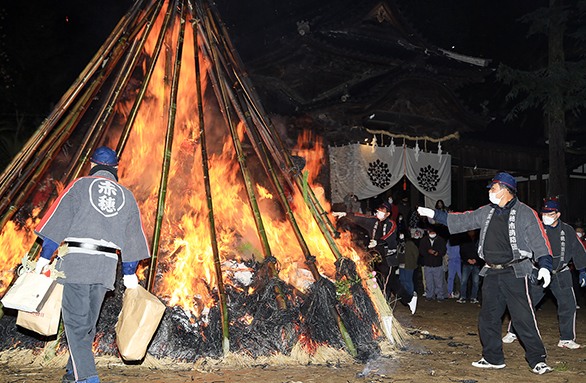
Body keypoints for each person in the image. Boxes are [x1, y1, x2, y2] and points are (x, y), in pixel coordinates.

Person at [417, 172, 554, 375]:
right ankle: (493, 358)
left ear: (506, 190)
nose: (490, 192)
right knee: (488, 318)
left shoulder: (526, 213)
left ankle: (537, 360)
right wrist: (435, 215)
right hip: (491, 271)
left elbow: (539, 239)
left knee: (523, 318)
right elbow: (463, 220)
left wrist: (545, 264)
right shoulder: (487, 211)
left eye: (493, 188)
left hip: (515, 271)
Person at [33, 147, 150, 383]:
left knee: (76, 324)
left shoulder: (80, 186)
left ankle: (87, 377)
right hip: (106, 267)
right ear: (116, 168)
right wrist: (129, 273)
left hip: (76, 262)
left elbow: (58, 221)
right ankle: (72, 374)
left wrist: (44, 257)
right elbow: (133, 237)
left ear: (92, 164)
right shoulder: (127, 196)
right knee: (87, 324)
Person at [502, 198, 586, 349]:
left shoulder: (567, 230)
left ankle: (566, 338)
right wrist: (528, 267)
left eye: (549, 213)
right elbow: (523, 248)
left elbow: (578, 250)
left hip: (561, 272)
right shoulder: (536, 228)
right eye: (543, 213)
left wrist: (582, 270)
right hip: (538, 272)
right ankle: (513, 332)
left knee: (569, 305)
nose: (545, 216)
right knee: (526, 303)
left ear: (558, 214)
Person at [332, 202, 417, 314]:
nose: (379, 212)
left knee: (385, 285)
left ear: (387, 214)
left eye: (383, 210)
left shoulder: (391, 224)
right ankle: (410, 299)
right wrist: (344, 214)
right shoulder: (373, 221)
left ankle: (383, 311)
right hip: (377, 259)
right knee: (392, 284)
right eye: (379, 209)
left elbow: (390, 236)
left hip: (388, 259)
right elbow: (360, 218)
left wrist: (378, 242)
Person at [419, 227, 447, 301]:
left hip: (437, 264)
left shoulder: (440, 240)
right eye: (431, 232)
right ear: (428, 232)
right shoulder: (424, 240)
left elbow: (443, 250)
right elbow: (421, 250)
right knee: (428, 281)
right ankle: (429, 295)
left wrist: (438, 253)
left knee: (439, 282)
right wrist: (428, 252)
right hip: (427, 264)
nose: (432, 234)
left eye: (433, 233)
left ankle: (440, 296)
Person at [457, 230, 482, 304]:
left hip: (476, 264)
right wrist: (467, 259)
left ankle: (474, 297)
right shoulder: (465, 240)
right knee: (463, 281)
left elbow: (480, 252)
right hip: (466, 264)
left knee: (476, 282)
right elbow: (462, 252)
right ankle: (463, 297)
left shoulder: (478, 240)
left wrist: (476, 260)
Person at [397, 230, 419, 296]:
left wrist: (412, 262)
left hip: (409, 265)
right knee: (402, 280)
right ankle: (405, 294)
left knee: (408, 280)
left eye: (402, 234)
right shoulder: (400, 244)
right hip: (401, 265)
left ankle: (410, 294)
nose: (401, 236)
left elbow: (416, 253)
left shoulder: (410, 243)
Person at [446, 234, 461, 299]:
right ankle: (449, 292)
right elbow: (447, 251)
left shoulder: (460, 241)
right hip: (451, 260)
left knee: (459, 276)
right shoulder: (449, 241)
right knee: (450, 277)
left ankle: (459, 291)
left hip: (458, 260)